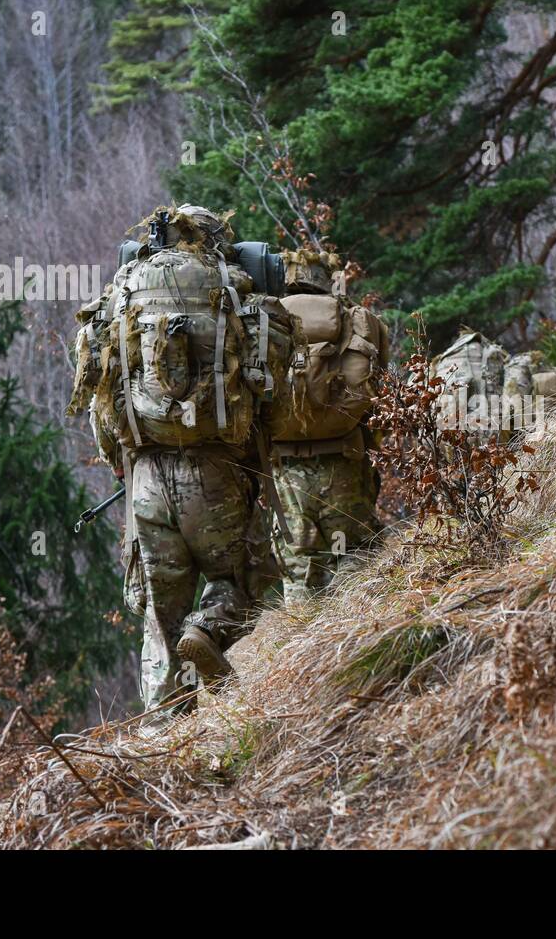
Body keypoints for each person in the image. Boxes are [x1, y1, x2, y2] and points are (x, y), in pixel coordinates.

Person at [67, 205, 293, 718]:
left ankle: (165, 735)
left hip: (144, 474)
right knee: (246, 582)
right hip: (215, 473)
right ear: (215, 240)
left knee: (158, 617)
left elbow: (99, 398)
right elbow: (273, 393)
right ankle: (208, 628)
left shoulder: (120, 295)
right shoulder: (235, 291)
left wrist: (121, 463)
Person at [268, 249, 389, 606]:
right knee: (354, 561)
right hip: (345, 464)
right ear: (326, 278)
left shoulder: (262, 323)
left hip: (286, 475)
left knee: (301, 573)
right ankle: (353, 647)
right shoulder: (356, 321)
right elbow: (378, 395)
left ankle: (303, 651)